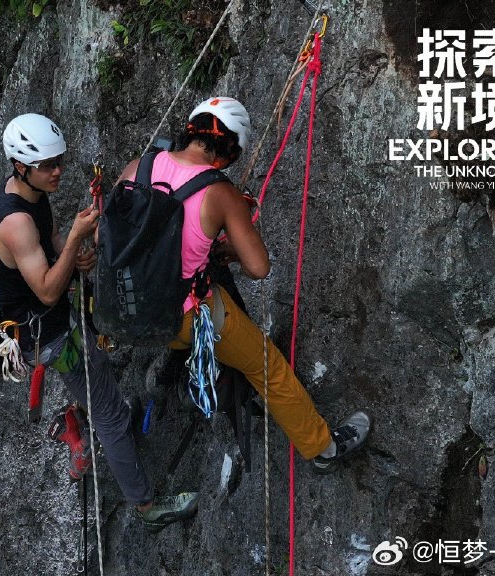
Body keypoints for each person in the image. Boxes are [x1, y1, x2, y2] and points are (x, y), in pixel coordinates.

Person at [115, 97, 371, 473]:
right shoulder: (219, 192)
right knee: (267, 366)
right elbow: (259, 267)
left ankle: (189, 374)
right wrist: (231, 243)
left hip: (126, 306)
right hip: (183, 317)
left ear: (192, 129)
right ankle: (323, 448)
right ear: (230, 150)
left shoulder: (140, 166)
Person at [0, 112, 198, 532]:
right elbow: (47, 288)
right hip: (46, 334)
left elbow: (49, 248)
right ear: (20, 167)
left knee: (97, 387)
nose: (57, 171)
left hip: (46, 320)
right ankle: (147, 507)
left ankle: (96, 417)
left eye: (58, 161)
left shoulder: (26, 195)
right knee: (108, 413)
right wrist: (77, 241)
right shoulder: (15, 222)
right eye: (47, 166)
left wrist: (70, 250)